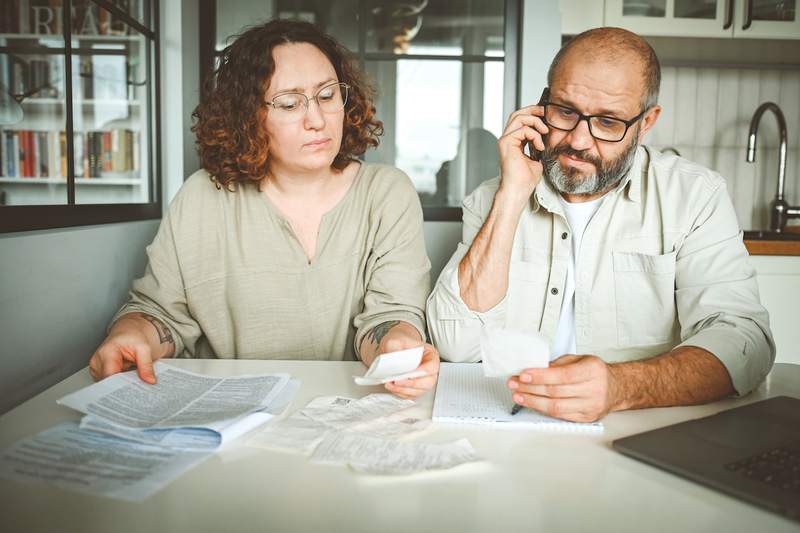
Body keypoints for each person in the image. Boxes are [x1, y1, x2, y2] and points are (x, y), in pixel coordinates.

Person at [426, 27, 774, 421]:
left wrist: (622, 387)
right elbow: (455, 342)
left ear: (646, 123)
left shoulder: (695, 198)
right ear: (541, 106)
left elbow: (744, 340)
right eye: (565, 111)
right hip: (509, 426)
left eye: (608, 123)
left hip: (640, 429)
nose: (578, 140)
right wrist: (511, 196)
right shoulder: (494, 197)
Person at [88, 19, 439, 399]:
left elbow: (389, 317)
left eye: (327, 96)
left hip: (348, 412)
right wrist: (131, 335)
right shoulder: (202, 197)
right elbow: (159, 312)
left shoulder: (387, 192)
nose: (317, 120)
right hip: (227, 413)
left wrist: (398, 345)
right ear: (249, 117)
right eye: (290, 103)